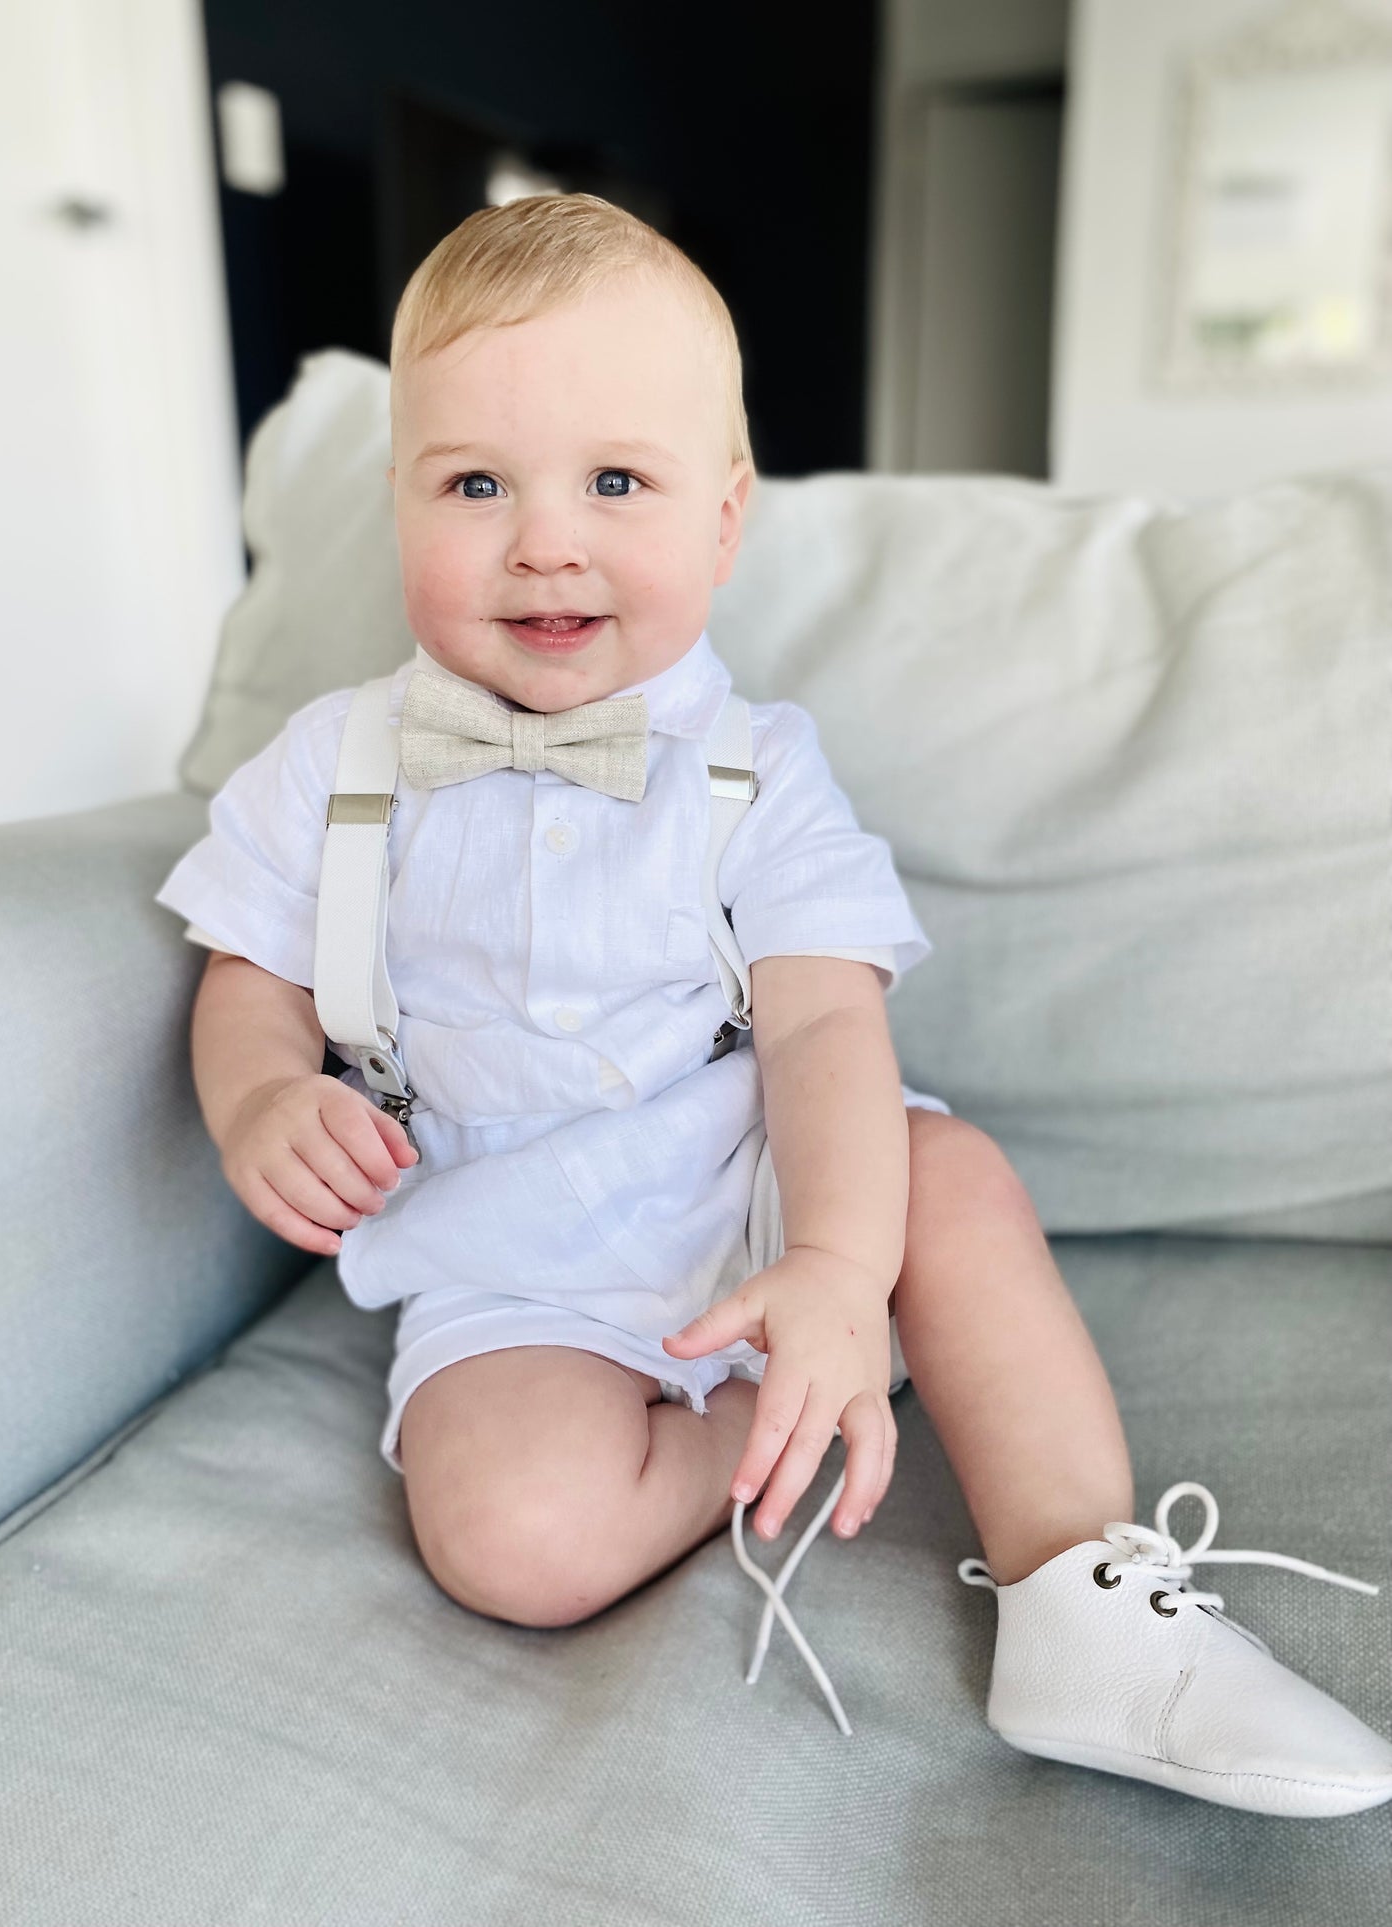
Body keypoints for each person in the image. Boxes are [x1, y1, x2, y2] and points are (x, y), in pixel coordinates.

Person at [155, 193, 1392, 1818]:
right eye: (474, 484)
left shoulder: (755, 770)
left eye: (614, 482)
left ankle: (1079, 1597)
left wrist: (826, 1254)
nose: (543, 538)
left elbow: (819, 1029)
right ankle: (789, 1403)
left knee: (942, 1179)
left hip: (758, 1180)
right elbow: (248, 972)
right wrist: (257, 1097)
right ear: (398, 507)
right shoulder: (331, 765)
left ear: (722, 521)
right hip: (510, 1254)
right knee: (513, 1546)